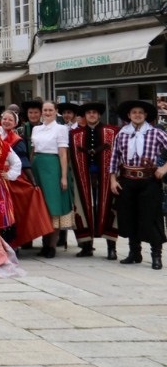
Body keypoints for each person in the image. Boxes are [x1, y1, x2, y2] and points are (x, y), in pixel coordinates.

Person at [109, 98, 167, 269]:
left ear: (146, 115)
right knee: (129, 216)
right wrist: (113, 179)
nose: (137, 115)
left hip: (149, 181)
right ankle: (135, 253)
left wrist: (163, 168)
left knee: (150, 218)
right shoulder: (122, 133)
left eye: (141, 113)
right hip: (127, 180)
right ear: (129, 115)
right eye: (134, 112)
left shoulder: (155, 133)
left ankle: (156, 255)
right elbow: (114, 157)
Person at [0, 110, 55, 248]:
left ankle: (14, 242)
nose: (6, 121)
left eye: (10, 120)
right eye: (4, 118)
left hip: (12, 178)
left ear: (15, 123)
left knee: (15, 210)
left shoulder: (17, 141)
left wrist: (33, 182)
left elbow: (23, 162)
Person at [68, 101, 118, 259]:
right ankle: (86, 246)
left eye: (94, 113)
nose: (91, 115)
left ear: (99, 115)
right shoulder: (75, 134)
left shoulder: (111, 131)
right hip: (83, 177)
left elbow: (118, 155)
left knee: (108, 207)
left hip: (106, 177)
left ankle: (112, 247)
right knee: (82, 209)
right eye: (89, 113)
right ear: (85, 115)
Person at [30, 99, 74, 257]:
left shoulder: (61, 129)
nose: (47, 113)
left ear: (56, 112)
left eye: (50, 110)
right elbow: (33, 151)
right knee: (41, 205)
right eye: (45, 110)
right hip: (38, 166)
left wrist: (63, 177)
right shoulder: (36, 129)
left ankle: (52, 245)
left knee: (53, 206)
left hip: (53, 166)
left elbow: (63, 154)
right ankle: (43, 243)